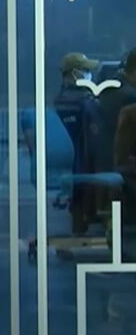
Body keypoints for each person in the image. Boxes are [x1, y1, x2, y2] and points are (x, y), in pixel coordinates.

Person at [53, 52, 102, 233]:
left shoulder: (61, 100)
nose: (90, 75)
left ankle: (79, 226)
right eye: (86, 70)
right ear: (75, 73)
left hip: (72, 164)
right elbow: (96, 135)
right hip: (82, 164)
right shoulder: (83, 102)